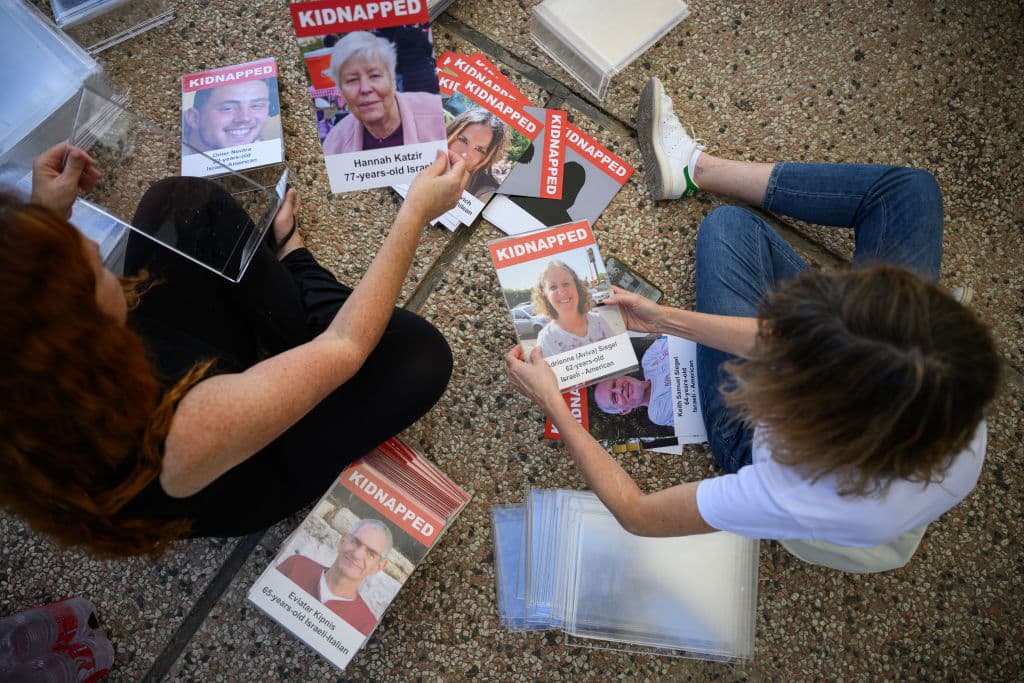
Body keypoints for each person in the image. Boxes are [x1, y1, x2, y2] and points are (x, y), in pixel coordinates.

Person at [505, 77, 1001, 574]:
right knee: (909, 192)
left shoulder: (795, 485)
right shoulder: (947, 382)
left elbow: (638, 513)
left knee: (728, 228)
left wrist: (554, 402)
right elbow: (795, 344)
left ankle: (695, 169)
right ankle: (693, 168)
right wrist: (664, 319)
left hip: (760, 441)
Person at [0, 143, 469, 558]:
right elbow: (346, 346)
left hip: (157, 363)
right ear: (77, 329)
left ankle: (300, 312)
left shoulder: (29, 372)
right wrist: (413, 214)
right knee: (418, 356)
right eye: (92, 266)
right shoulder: (182, 431)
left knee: (178, 200)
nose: (90, 242)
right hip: (244, 468)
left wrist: (42, 217)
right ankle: (297, 266)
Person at [322, 31, 445, 154]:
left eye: (374, 75)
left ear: (392, 81)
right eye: (352, 80)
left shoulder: (438, 113)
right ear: (341, 91)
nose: (365, 88)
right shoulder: (334, 144)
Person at [276, 518, 392, 636]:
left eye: (371, 553)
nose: (357, 555)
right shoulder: (296, 565)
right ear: (342, 540)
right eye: (356, 542)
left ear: (379, 566)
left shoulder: (365, 626)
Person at [531, 260, 612, 356]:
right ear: (545, 295)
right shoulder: (546, 339)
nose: (562, 291)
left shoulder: (599, 321)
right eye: (553, 287)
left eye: (566, 284)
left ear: (576, 286)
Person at [593, 336, 672, 426]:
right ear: (625, 410)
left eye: (614, 383)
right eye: (614, 397)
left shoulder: (649, 360)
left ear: (622, 375)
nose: (620, 389)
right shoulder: (657, 412)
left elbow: (674, 334)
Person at [184, 78, 276, 153]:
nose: (245, 118)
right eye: (227, 108)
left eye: (257, 106)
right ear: (194, 118)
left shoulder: (271, 152)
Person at [445, 109, 507, 202]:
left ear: (487, 158)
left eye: (479, 150)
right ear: (450, 133)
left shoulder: (485, 195)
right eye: (463, 140)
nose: (465, 155)